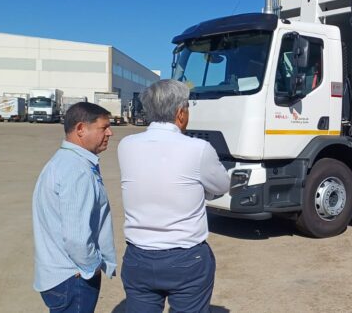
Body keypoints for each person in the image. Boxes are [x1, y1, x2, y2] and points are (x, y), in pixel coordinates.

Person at [118, 80, 230, 313]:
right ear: (180, 113)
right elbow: (221, 186)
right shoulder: (198, 148)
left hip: (139, 256)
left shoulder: (126, 145)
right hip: (186, 258)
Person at [32, 102, 117, 313]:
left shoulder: (63, 161)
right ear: (81, 129)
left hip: (59, 276)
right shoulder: (77, 170)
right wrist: (93, 265)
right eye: (103, 127)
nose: (110, 132)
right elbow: (76, 237)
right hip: (72, 279)